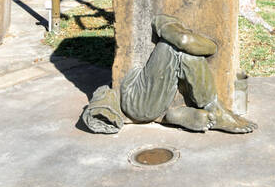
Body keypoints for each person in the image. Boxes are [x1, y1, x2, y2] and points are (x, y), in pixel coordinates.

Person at [81, 14, 256, 134]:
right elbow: (184, 40)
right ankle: (212, 110)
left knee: (188, 55)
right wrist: (212, 47)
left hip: (156, 99)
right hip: (136, 101)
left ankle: (172, 116)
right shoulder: (163, 21)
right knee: (177, 49)